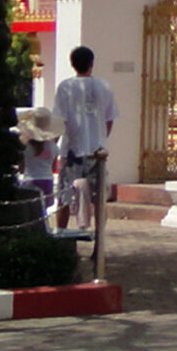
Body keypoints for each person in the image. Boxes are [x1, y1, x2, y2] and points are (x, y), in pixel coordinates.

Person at [53, 46, 116, 232]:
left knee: (64, 197)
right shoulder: (104, 86)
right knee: (99, 200)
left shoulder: (65, 87)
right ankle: (99, 243)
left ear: (72, 64)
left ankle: (62, 238)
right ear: (92, 63)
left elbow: (59, 120)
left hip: (72, 149)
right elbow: (109, 119)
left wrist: (53, 148)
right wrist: (101, 139)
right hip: (97, 152)